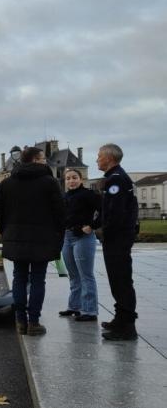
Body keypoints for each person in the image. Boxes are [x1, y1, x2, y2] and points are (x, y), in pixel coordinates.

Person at [0, 146, 65, 336]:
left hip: (16, 237)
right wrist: (57, 236)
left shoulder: (7, 184)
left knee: (19, 278)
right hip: (42, 239)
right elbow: (60, 213)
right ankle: (33, 322)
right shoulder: (50, 183)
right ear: (34, 159)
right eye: (42, 158)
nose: (45, 162)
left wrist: (7, 232)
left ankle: (20, 321)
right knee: (37, 280)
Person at [96, 143, 139, 341]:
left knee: (121, 280)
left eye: (99, 156)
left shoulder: (116, 179)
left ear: (109, 158)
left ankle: (127, 325)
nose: (97, 160)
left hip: (117, 238)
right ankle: (121, 318)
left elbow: (115, 211)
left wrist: (104, 231)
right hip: (118, 237)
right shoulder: (115, 178)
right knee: (117, 280)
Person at [59, 169, 102, 322]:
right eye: (68, 178)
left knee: (86, 275)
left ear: (81, 179)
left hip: (83, 238)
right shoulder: (64, 196)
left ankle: (90, 311)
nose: (71, 181)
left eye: (74, 178)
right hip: (67, 237)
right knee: (73, 275)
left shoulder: (89, 195)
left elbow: (105, 210)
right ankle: (74, 306)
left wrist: (92, 226)